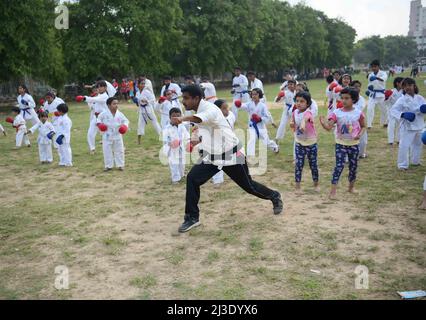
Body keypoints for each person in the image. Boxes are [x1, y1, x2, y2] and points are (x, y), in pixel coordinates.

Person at [170, 85, 283, 233]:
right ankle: (192, 218)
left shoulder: (209, 109)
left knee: (249, 186)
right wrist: (198, 140)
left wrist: (182, 119)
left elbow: (199, 119)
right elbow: (210, 129)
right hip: (213, 156)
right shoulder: (200, 109)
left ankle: (275, 196)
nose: (183, 101)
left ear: (196, 98)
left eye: (186, 98)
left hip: (231, 155)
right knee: (192, 178)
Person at [320, 87, 366, 199]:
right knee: (339, 166)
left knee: (353, 167)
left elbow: (364, 126)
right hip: (340, 144)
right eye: (342, 98)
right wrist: (323, 123)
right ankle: (333, 192)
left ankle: (351, 188)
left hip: (354, 145)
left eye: (347, 98)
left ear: (354, 100)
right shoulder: (336, 113)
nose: (344, 100)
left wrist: (360, 134)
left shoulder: (358, 113)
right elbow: (329, 127)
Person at [390, 78, 425, 170]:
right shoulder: (402, 99)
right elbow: (393, 110)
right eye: (405, 86)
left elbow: (423, 109)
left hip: (419, 125)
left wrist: (423, 110)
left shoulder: (420, 98)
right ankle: (402, 165)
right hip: (407, 126)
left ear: (414, 86)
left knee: (418, 144)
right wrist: (403, 114)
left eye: (409, 85)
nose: (407, 88)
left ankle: (415, 161)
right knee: (404, 146)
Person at [235, 88, 279, 157]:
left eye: (255, 94)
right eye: (252, 94)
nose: (254, 96)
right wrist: (239, 104)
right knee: (251, 141)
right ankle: (250, 156)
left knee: (266, 143)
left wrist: (260, 119)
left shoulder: (263, 106)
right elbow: (243, 106)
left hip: (261, 127)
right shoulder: (249, 104)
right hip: (252, 126)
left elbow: (267, 117)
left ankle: (275, 147)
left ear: (259, 95)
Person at [290, 91, 319, 193]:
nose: (299, 103)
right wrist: (292, 124)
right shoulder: (294, 112)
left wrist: (302, 124)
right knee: (299, 165)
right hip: (299, 143)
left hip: (311, 143)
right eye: (297, 101)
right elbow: (293, 124)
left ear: (307, 104)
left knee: (313, 165)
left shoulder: (309, 112)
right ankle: (297, 186)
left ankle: (316, 185)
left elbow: (305, 119)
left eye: (302, 101)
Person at [76, 81, 109, 153]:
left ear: (105, 88)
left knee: (108, 134)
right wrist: (89, 100)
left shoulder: (105, 96)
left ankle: (114, 147)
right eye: (98, 87)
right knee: (90, 133)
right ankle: (92, 148)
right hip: (96, 117)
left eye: (101, 86)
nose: (99, 88)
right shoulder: (97, 96)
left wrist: (84, 98)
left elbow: (94, 100)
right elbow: (92, 105)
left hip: (104, 118)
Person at [97, 97, 129, 171]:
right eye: (114, 104)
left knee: (119, 150)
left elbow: (126, 121)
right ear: (108, 105)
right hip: (107, 134)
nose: (116, 105)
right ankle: (108, 166)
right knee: (107, 150)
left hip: (117, 134)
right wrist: (100, 125)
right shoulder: (103, 114)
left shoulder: (120, 114)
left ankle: (120, 165)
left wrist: (124, 126)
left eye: (117, 103)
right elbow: (98, 119)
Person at [211, 99, 236, 186]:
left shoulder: (231, 115)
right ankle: (217, 180)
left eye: (227, 108)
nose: (227, 110)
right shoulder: (213, 120)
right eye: (224, 108)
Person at [162, 108, 190, 184]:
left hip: (181, 147)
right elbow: (165, 138)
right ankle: (175, 178)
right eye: (173, 117)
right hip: (172, 149)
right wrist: (170, 143)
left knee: (182, 162)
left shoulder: (182, 126)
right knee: (174, 164)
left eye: (178, 116)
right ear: (169, 117)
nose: (176, 119)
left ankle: (181, 174)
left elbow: (186, 135)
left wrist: (188, 142)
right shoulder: (167, 128)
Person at [134, 80, 162, 145]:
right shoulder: (137, 93)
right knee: (140, 124)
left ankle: (162, 136)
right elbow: (138, 103)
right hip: (142, 110)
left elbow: (153, 99)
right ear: (138, 85)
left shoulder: (147, 92)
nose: (143, 85)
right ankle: (138, 140)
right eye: (141, 84)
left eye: (144, 84)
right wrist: (136, 101)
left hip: (149, 109)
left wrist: (147, 101)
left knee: (155, 122)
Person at [366, 60, 388, 129]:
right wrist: (369, 90)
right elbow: (369, 85)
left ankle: (386, 122)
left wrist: (376, 78)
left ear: (378, 66)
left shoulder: (383, 73)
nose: (373, 68)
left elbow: (383, 79)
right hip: (373, 94)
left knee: (384, 109)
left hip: (381, 94)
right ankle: (369, 124)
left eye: (375, 67)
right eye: (372, 67)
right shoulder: (370, 75)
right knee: (369, 109)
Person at [350, 80, 368, 159]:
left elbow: (359, 109)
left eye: (358, 86)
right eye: (355, 86)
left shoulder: (362, 99)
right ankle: (351, 155)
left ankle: (361, 153)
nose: (357, 88)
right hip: (349, 122)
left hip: (360, 121)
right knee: (351, 139)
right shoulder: (348, 97)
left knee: (363, 141)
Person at [386, 77, 404, 145]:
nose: (404, 84)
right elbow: (386, 102)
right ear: (397, 83)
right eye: (402, 83)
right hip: (392, 111)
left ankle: (399, 140)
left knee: (400, 126)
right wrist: (387, 97)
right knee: (391, 125)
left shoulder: (404, 92)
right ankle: (390, 141)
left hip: (400, 112)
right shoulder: (391, 91)